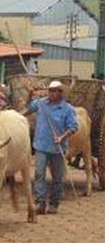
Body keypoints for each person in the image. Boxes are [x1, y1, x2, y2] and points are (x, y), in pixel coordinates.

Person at [27, 80, 78, 214]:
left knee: (57, 177)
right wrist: (29, 94)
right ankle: (40, 202)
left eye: (56, 90)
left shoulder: (67, 109)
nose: (52, 93)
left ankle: (54, 203)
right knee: (39, 174)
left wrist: (62, 137)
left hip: (58, 148)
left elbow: (73, 127)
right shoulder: (41, 103)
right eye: (51, 90)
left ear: (61, 93)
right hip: (41, 145)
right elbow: (30, 106)